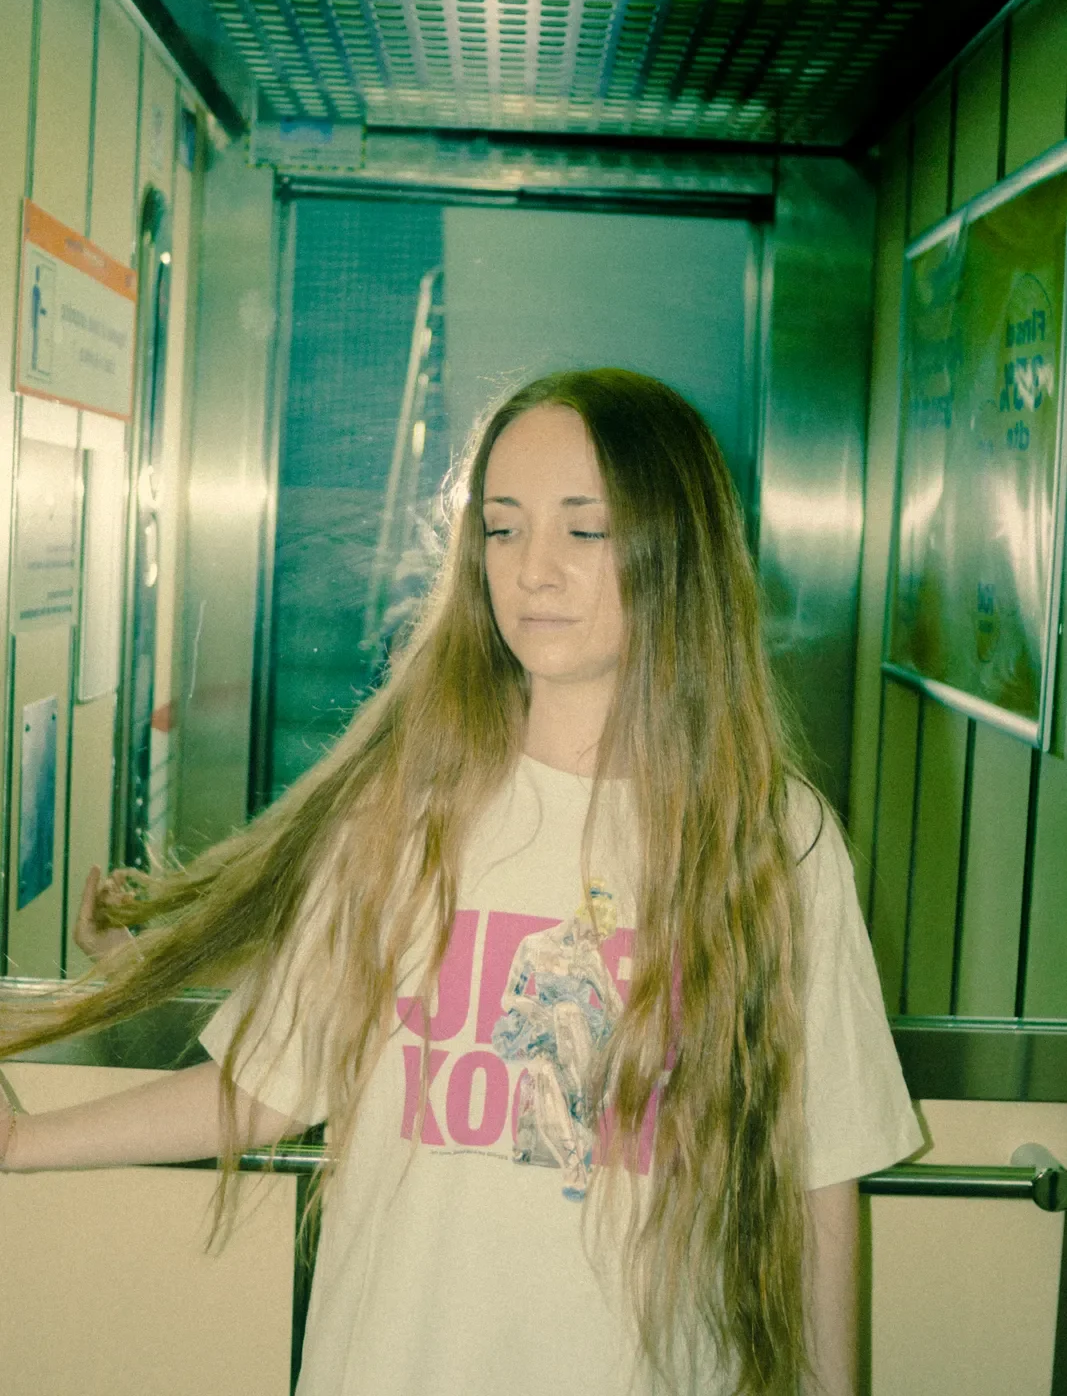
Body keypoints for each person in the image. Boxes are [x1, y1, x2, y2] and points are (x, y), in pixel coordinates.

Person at [0, 369, 921, 1396]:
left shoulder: (773, 841)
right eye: (501, 527)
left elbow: (817, 1177)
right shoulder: (402, 813)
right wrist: (22, 1141)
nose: (533, 570)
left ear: (675, 549)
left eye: (586, 530)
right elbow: (264, 1089)